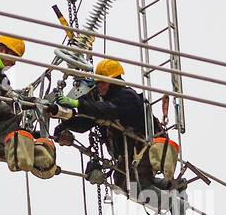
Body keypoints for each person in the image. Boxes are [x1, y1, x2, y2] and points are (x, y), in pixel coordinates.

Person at [53, 59, 164, 189]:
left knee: (137, 187)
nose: (99, 86)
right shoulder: (100, 101)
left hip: (148, 148)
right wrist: (64, 121)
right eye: (97, 83)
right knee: (122, 182)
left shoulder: (128, 96)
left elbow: (109, 109)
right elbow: (84, 123)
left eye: (103, 83)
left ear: (114, 82)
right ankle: (168, 188)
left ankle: (171, 199)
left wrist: (79, 104)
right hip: (130, 155)